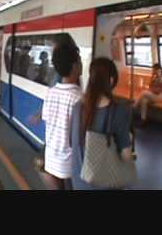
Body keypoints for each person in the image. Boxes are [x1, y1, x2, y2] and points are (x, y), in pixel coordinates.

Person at [70, 57, 133, 190]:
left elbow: (72, 142)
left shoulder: (77, 107)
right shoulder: (119, 111)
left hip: (78, 183)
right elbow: (126, 156)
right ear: (111, 80)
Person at [40, 41, 82, 190]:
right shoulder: (79, 98)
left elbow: (47, 122)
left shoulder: (50, 92)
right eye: (79, 60)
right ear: (75, 66)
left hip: (51, 159)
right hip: (69, 163)